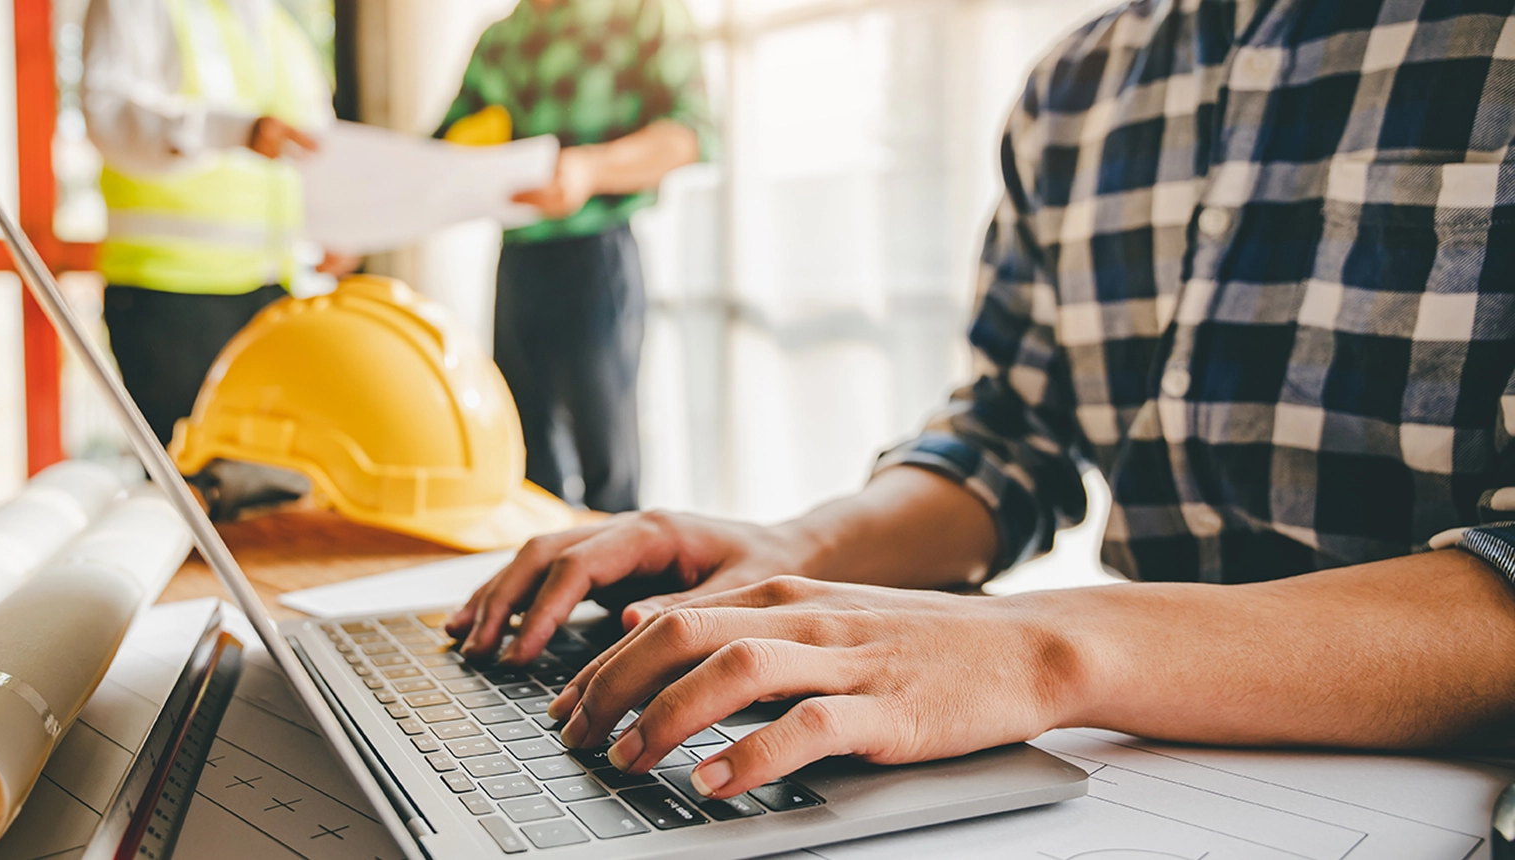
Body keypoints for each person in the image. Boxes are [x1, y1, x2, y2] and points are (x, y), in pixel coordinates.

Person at [450, 0, 1515, 806]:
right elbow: (1014, 430)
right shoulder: (1083, 83)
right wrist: (801, 544)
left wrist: (1044, 647)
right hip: (1142, 774)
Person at [435, 0, 713, 513]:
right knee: (520, 454)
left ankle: (619, 586)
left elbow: (689, 132)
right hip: (517, 261)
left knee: (606, 463)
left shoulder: (643, 15)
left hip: (597, 257)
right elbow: (441, 152)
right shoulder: (500, 39)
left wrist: (591, 169)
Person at [82, 0, 354, 449]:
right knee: (191, 486)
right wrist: (231, 131)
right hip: (171, 295)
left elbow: (314, 147)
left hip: (276, 294)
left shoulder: (282, 28)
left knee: (267, 488)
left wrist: (340, 227)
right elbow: (110, 117)